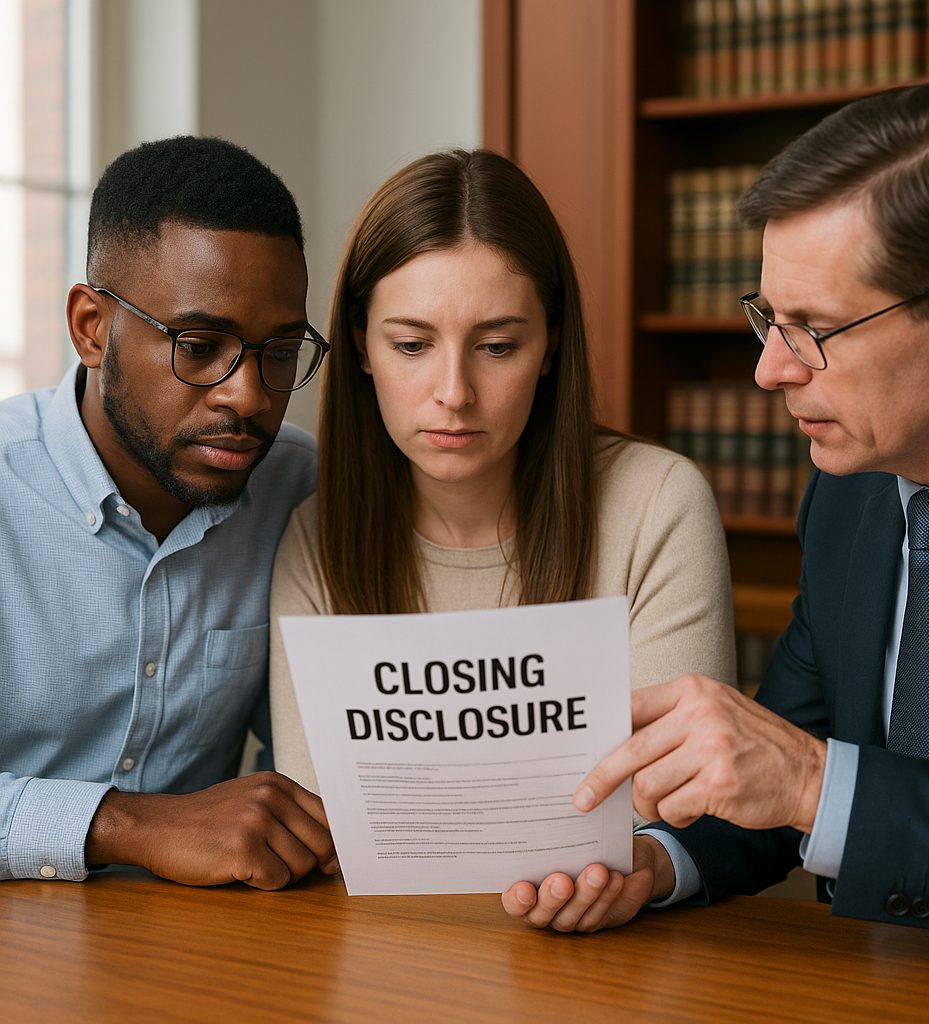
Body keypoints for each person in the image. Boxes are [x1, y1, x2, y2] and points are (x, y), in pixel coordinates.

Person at [518, 81, 929, 939]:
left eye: (814, 329)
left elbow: (809, 781)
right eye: (769, 320)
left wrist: (814, 782)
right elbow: (781, 761)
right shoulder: (850, 495)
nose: (771, 372)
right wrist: (651, 863)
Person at [268, 148, 736, 925]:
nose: (453, 393)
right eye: (411, 345)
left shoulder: (656, 504)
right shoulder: (316, 537)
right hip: (387, 957)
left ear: (550, 344)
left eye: (497, 346)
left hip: (610, 962)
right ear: (359, 346)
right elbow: (328, 831)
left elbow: (670, 814)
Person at [0, 135, 339, 890]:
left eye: (279, 352)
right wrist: (128, 824)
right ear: (92, 328)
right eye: (199, 343)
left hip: (206, 952)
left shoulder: (297, 490)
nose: (247, 397)